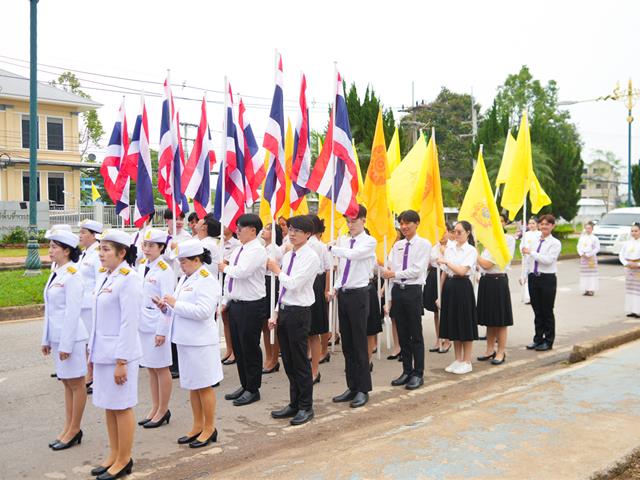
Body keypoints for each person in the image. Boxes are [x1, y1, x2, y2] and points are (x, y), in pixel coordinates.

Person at [154, 239, 223, 448]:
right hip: (185, 339)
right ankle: (197, 425)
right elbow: (179, 308)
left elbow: (203, 312)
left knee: (204, 386)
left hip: (200, 342)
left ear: (196, 259)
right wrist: (165, 307)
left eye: (184, 262)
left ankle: (210, 428)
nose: (181, 266)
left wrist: (176, 303)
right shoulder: (186, 278)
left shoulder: (206, 280)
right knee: (193, 386)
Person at [88, 230, 142, 479]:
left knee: (121, 406)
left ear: (122, 253)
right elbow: (98, 319)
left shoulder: (129, 278)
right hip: (103, 353)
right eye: (100, 249)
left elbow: (129, 323)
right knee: (109, 406)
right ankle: (113, 454)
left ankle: (124, 458)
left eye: (107, 249)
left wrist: (122, 361)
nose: (101, 254)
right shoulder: (105, 276)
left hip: (120, 355)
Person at [267, 215, 320, 426]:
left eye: (297, 230)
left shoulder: (311, 257)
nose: (292, 233)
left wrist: (276, 270)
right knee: (288, 360)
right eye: (290, 229)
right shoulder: (289, 256)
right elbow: (282, 290)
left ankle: (306, 406)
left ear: (308, 234)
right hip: (286, 311)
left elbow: (294, 284)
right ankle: (294, 402)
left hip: (300, 312)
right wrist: (275, 313)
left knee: (299, 361)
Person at [42, 228, 88, 451]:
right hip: (59, 338)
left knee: (76, 384)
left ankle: (74, 429)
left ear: (66, 250)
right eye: (50, 246)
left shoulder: (73, 275)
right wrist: (47, 339)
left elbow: (72, 312)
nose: (50, 250)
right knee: (67, 384)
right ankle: (68, 427)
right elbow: (50, 310)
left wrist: (67, 345)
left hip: (72, 339)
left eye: (54, 247)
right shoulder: (57, 271)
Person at [329, 206, 377, 407]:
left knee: (359, 344)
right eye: (348, 221)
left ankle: (363, 389)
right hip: (345, 293)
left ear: (363, 220)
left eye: (354, 221)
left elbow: (353, 256)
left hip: (359, 295)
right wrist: (335, 287)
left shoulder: (368, 241)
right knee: (347, 344)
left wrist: (332, 248)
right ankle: (352, 385)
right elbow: (343, 270)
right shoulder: (344, 240)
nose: (350, 225)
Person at [219, 214, 268, 407]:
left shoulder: (257, 250)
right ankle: (245, 384)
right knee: (239, 347)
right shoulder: (241, 249)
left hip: (251, 305)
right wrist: (226, 299)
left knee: (250, 347)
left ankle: (253, 389)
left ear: (252, 230)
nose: (237, 231)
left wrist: (225, 268)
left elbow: (242, 272)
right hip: (236, 303)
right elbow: (232, 279)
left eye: (240, 228)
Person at [382, 210, 431, 389]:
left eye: (407, 223)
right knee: (402, 333)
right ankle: (407, 370)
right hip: (398, 291)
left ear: (416, 223)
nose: (404, 227)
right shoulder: (397, 246)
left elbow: (417, 270)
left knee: (415, 334)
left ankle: (418, 373)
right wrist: (388, 299)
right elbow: (389, 270)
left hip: (413, 291)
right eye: (401, 223)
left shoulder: (424, 244)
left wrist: (394, 273)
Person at [137, 229, 175, 429]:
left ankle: (163, 409)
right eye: (145, 245)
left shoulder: (164, 270)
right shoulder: (142, 265)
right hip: (143, 324)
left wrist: (162, 331)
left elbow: (167, 303)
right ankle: (155, 407)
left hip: (157, 325)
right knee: (151, 368)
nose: (147, 249)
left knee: (161, 368)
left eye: (152, 245)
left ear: (161, 248)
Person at [438, 221, 478, 375]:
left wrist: (447, 262)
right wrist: (440, 295)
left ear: (468, 233)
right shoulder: (450, 249)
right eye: (454, 231)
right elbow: (444, 273)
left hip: (463, 287)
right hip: (450, 286)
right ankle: (458, 359)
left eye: (459, 232)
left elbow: (462, 271)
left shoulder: (471, 250)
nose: (456, 235)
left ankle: (467, 361)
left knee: (465, 323)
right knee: (453, 323)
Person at [476, 215, 516, 366]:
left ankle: (501, 351)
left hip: (498, 281)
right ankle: (489, 350)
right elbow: (482, 266)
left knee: (500, 320)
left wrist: (476, 254)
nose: (497, 223)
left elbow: (487, 264)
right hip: (486, 281)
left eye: (501, 221)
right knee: (489, 319)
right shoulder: (488, 241)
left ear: (505, 223)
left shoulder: (507, 239)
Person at [522, 214, 561, 352]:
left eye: (547, 224)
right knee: (537, 311)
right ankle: (537, 339)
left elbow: (548, 260)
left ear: (552, 226)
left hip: (547, 279)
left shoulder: (555, 243)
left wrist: (531, 252)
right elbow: (528, 260)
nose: (544, 226)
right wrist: (525, 274)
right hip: (534, 277)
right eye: (542, 224)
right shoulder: (535, 241)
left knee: (547, 311)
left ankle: (548, 340)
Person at [163, 209, 192, 379]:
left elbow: (180, 257)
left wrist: (175, 248)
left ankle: (179, 364)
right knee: (168, 323)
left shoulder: (186, 239)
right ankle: (170, 360)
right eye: (176, 219)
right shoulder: (163, 237)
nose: (180, 222)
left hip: (181, 284)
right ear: (167, 220)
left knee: (179, 322)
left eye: (181, 219)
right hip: (167, 284)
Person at [77, 219, 104, 394]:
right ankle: (90, 374)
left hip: (92, 305)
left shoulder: (98, 255)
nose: (80, 235)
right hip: (82, 304)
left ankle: (96, 377)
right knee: (87, 342)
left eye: (84, 232)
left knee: (93, 342)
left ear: (94, 236)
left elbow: (99, 281)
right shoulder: (84, 254)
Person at [307, 215, 332, 384]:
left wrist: (326, 289)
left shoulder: (318, 246)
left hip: (316, 283)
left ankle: (317, 363)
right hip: (303, 284)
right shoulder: (295, 247)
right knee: (307, 329)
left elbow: (328, 269)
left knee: (315, 327)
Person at [423, 229, 452, 354]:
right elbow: (429, 263)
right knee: (436, 311)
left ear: (447, 232)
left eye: (443, 231)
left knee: (445, 310)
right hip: (433, 275)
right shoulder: (433, 245)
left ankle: (448, 339)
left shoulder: (452, 246)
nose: (441, 235)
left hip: (446, 276)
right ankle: (438, 338)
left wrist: (444, 252)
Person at [261, 221, 283, 374]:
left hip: (272, 283)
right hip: (263, 283)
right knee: (264, 325)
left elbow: (267, 266)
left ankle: (274, 359)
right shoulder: (264, 248)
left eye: (268, 229)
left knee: (272, 325)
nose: (264, 231)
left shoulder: (275, 249)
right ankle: (268, 357)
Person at [220, 226, 242, 365]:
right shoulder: (218, 242)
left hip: (229, 277)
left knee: (233, 320)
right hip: (222, 280)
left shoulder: (237, 244)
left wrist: (222, 265)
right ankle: (229, 349)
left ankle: (235, 351)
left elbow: (226, 264)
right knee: (225, 319)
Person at [619, 222, 640, 318]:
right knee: (630, 289)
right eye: (632, 231)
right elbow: (621, 255)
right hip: (629, 269)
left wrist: (637, 264)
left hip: (638, 269)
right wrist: (626, 263)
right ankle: (632, 310)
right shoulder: (627, 243)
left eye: (636, 231)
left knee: (638, 290)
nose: (634, 233)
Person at [519, 217, 541, 305]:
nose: (531, 225)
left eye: (533, 223)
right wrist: (523, 251)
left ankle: (536, 297)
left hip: (535, 259)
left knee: (535, 277)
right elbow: (521, 245)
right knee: (525, 277)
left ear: (537, 224)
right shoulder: (526, 234)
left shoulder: (540, 234)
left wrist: (532, 252)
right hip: (526, 258)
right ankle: (528, 297)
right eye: (530, 223)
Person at [577, 221, 600, 296]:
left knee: (591, 274)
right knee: (584, 274)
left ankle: (591, 290)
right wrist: (581, 253)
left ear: (592, 229)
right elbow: (578, 246)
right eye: (586, 228)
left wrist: (589, 254)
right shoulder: (582, 238)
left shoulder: (595, 238)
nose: (588, 230)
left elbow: (597, 248)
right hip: (583, 258)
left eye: (589, 228)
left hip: (591, 258)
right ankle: (586, 289)